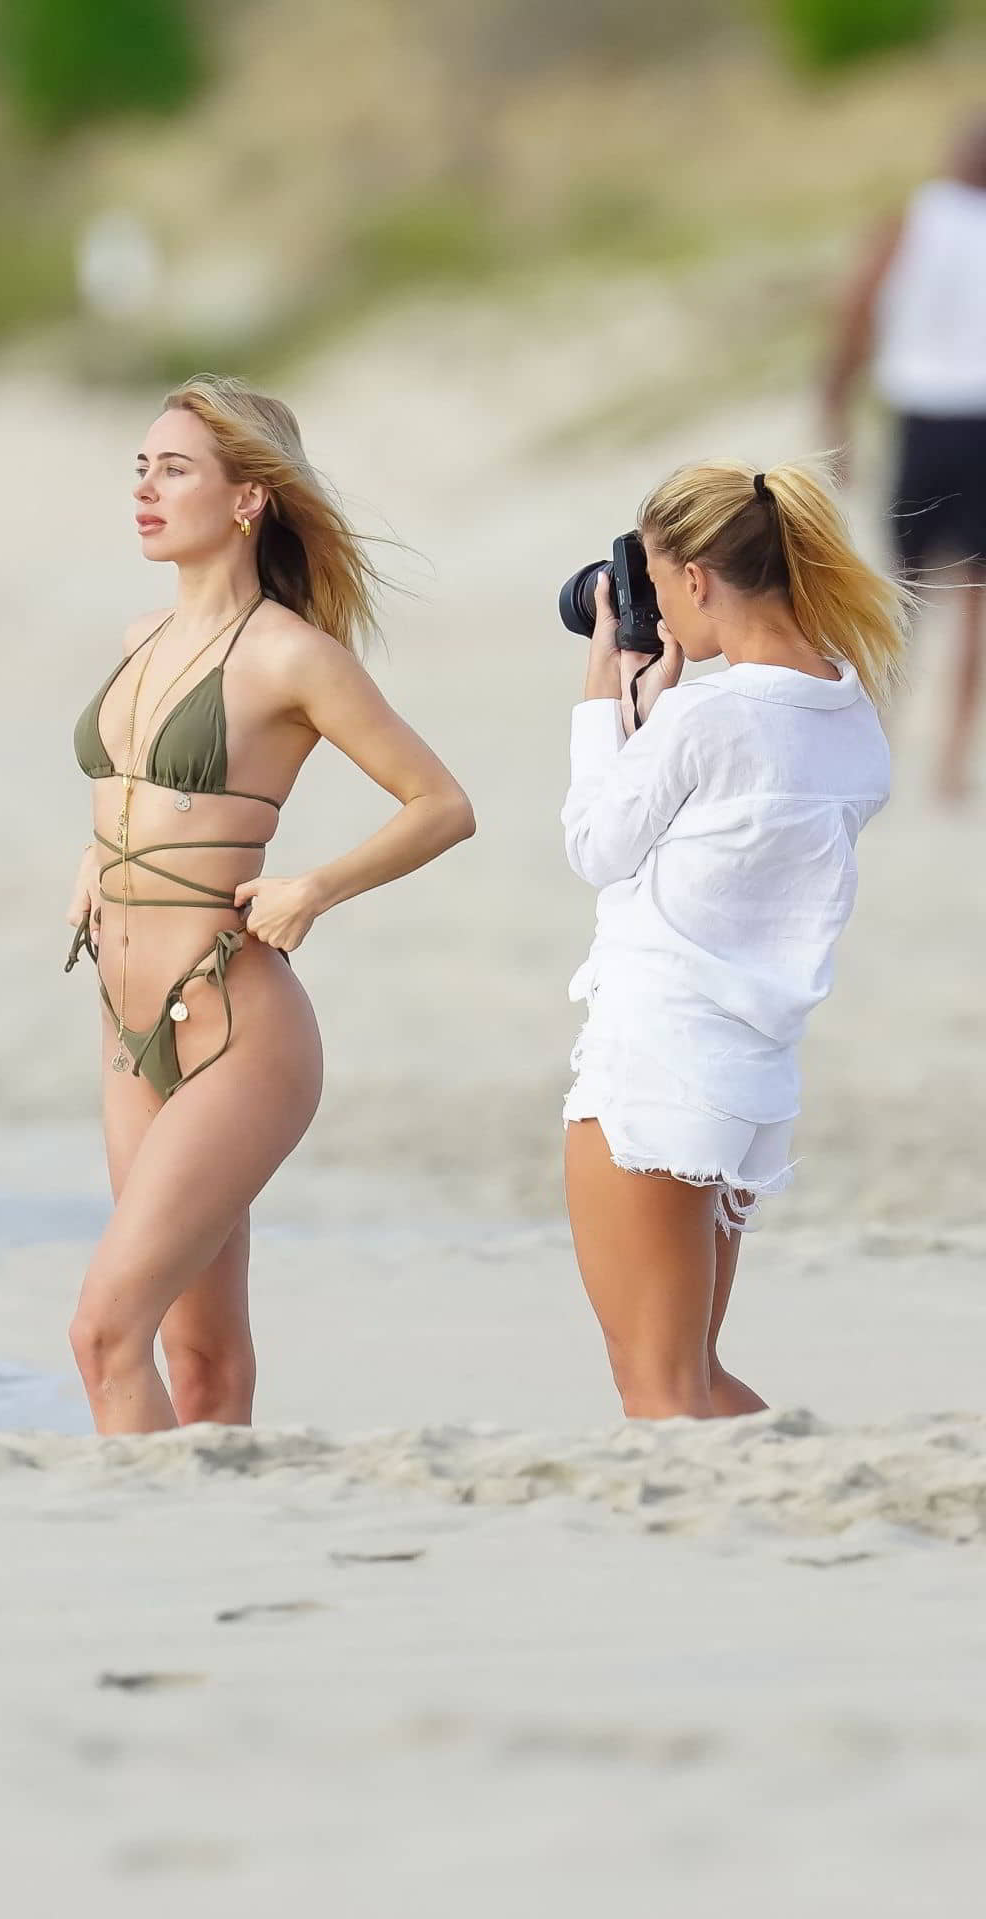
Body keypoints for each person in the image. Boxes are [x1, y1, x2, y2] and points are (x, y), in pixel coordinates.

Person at [64, 374, 474, 1434]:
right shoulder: (137, 638)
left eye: (176, 470)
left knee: (103, 1330)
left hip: (236, 1024)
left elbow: (440, 804)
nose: (146, 490)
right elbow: (136, 796)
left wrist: (315, 885)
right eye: (141, 469)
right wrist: (94, 864)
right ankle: (215, 1561)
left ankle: (137, 1548)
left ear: (248, 498)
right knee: (196, 1357)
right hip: (124, 1026)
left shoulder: (291, 653)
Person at [561, 460, 905, 1421]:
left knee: (658, 1386)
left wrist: (607, 689)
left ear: (700, 580)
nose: (659, 610)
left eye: (662, 585)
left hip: (655, 1064)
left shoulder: (708, 717)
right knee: (693, 1375)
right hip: (750, 1084)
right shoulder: (851, 712)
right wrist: (662, 709)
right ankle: (804, 1523)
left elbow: (596, 847)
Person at [823, 111, 986, 801]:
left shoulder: (908, 223)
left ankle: (878, 739)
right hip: (979, 420)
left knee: (904, 592)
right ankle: (949, 760)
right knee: (975, 597)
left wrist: (834, 409)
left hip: (922, 420)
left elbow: (855, 310)